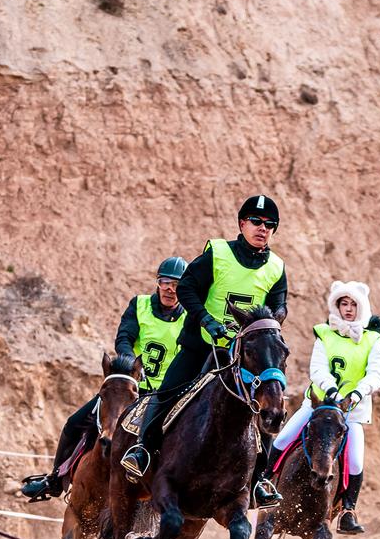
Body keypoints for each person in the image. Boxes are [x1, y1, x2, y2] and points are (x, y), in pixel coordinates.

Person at [121, 195, 289, 509]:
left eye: (269, 225)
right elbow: (186, 288)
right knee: (168, 390)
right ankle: (142, 450)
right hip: (201, 344)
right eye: (256, 222)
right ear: (242, 224)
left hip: (244, 353)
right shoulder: (219, 253)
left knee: (269, 396)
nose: (262, 229)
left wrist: (271, 322)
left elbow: (280, 305)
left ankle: (261, 479)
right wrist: (207, 320)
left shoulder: (277, 268)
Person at [19, 256, 187, 501]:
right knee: (75, 423)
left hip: (165, 393)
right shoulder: (139, 305)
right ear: (158, 283)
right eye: (165, 282)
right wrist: (131, 367)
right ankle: (54, 480)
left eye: (176, 284)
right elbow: (124, 338)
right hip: (131, 387)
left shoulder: (189, 318)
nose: (170, 289)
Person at [263, 280, 380, 534]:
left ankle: (348, 511)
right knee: (283, 438)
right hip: (318, 406)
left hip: (351, 413)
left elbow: (377, 373)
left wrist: (357, 392)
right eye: (344, 303)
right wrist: (331, 390)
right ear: (337, 306)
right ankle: (264, 483)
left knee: (354, 461)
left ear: (361, 307)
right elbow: (317, 368)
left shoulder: (372, 340)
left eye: (353, 304)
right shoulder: (324, 334)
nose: (348, 309)